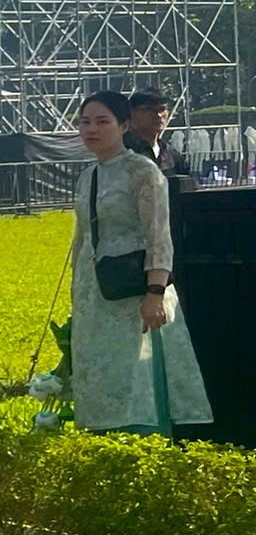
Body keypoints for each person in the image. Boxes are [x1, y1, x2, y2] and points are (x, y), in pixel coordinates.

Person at [70, 91, 212, 437]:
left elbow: (159, 237)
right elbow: (82, 239)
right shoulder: (88, 175)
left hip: (136, 291)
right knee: (101, 374)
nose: (93, 129)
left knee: (136, 374)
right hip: (96, 293)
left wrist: (155, 292)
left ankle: (141, 447)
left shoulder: (142, 171)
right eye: (85, 122)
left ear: (124, 126)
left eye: (103, 121)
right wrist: (77, 291)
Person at [126, 89, 187, 176]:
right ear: (131, 114)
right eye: (149, 110)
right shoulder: (120, 153)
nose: (158, 115)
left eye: (162, 109)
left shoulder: (172, 156)